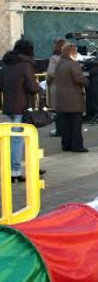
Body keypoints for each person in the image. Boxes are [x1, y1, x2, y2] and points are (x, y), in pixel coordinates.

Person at [1, 39, 40, 181]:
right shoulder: (25, 65)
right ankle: (15, 171)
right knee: (18, 140)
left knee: (12, 139)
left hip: (8, 106)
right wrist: (36, 86)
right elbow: (32, 87)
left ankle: (17, 168)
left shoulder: (5, 63)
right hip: (21, 106)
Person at [54, 43, 89, 153]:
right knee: (75, 124)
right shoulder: (73, 64)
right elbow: (79, 79)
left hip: (61, 99)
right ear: (72, 52)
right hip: (73, 99)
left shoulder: (59, 64)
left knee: (65, 125)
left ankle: (66, 145)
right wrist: (87, 81)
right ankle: (77, 146)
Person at [46, 39, 65, 137]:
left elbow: (51, 72)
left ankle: (59, 130)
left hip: (56, 86)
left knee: (58, 110)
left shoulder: (54, 58)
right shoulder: (69, 58)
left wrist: (47, 81)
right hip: (68, 87)